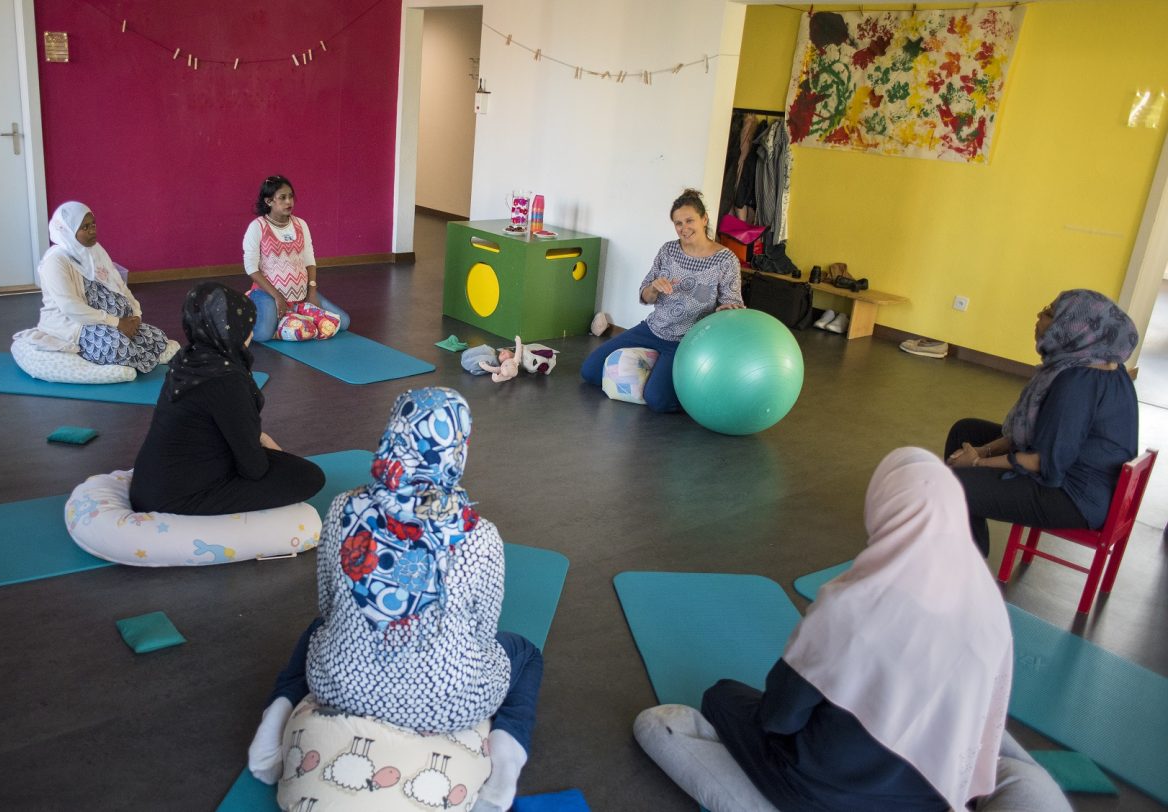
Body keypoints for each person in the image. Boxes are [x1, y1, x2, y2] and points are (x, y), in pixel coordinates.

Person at [635, 447, 1070, 812]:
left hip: (821, 791)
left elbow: (779, 718)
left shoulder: (851, 605)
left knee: (719, 697)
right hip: (930, 798)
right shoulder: (989, 608)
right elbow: (984, 724)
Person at [246, 388, 543, 812]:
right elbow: (484, 632)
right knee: (526, 654)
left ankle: (274, 718)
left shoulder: (344, 508)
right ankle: (506, 764)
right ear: (458, 447)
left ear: (393, 434)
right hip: (449, 705)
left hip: (341, 687)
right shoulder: (479, 536)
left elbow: (328, 605)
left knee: (318, 629)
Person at [945, 289, 1139, 557]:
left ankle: (965, 560)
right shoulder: (1107, 366)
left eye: (1049, 313)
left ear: (1071, 328)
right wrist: (980, 450)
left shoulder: (1075, 382)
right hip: (1079, 474)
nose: (1038, 315)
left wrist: (977, 462)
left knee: (951, 483)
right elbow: (1038, 433)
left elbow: (1044, 463)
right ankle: (970, 547)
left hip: (1073, 497)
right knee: (966, 431)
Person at [128, 281, 323, 515]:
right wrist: (266, 449)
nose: (250, 333)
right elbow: (254, 469)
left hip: (148, 484)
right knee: (308, 477)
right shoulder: (227, 380)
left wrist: (260, 439)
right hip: (174, 499)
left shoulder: (188, 359)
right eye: (247, 326)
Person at [580, 188, 744, 413]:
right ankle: (657, 365)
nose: (684, 229)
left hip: (686, 341)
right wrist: (654, 288)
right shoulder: (668, 250)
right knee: (590, 371)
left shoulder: (726, 260)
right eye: (678, 223)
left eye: (689, 221)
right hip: (653, 328)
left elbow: (732, 303)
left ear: (704, 219)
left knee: (657, 399)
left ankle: (688, 392)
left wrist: (727, 309)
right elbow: (645, 296)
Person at [17, 202, 170, 372]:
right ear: (68, 230)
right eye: (84, 227)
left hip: (114, 321)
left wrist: (136, 314)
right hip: (78, 324)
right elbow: (70, 307)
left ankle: (131, 356)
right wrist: (117, 323)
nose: (92, 231)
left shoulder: (96, 251)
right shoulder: (56, 260)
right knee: (120, 347)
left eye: (93, 225)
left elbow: (120, 285)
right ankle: (97, 359)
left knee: (157, 338)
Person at [243, 175, 351, 342]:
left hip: (301, 293)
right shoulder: (257, 227)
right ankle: (261, 314)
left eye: (291, 196)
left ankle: (291, 317)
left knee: (343, 322)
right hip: (268, 294)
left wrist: (312, 291)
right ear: (269, 201)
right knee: (263, 334)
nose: (289, 202)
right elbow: (251, 268)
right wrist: (277, 297)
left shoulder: (301, 224)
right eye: (282, 198)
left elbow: (309, 260)